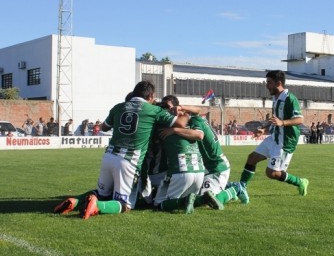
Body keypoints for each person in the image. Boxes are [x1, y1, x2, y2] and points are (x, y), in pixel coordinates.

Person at [53, 81, 189, 219]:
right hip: (129, 160)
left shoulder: (118, 107)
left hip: (109, 155)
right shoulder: (153, 110)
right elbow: (182, 123)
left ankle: (75, 202)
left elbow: (104, 128)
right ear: (150, 96)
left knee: (102, 194)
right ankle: (97, 206)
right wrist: (186, 112)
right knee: (125, 205)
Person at [158, 95, 245, 207]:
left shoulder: (194, 120)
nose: (166, 110)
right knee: (199, 196)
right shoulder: (190, 117)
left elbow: (199, 135)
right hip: (206, 167)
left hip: (216, 166)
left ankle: (235, 189)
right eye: (164, 107)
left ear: (177, 108)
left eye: (168, 107)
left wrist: (174, 130)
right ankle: (226, 186)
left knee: (207, 201)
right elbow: (198, 110)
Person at [237, 70, 309, 203]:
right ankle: (241, 188)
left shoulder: (290, 99)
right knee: (251, 158)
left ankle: (300, 182)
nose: (266, 85)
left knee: (272, 173)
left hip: (284, 142)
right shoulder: (275, 99)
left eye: (269, 82)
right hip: (274, 138)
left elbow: (299, 119)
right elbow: (275, 120)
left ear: (279, 83)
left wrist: (283, 123)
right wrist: (264, 130)